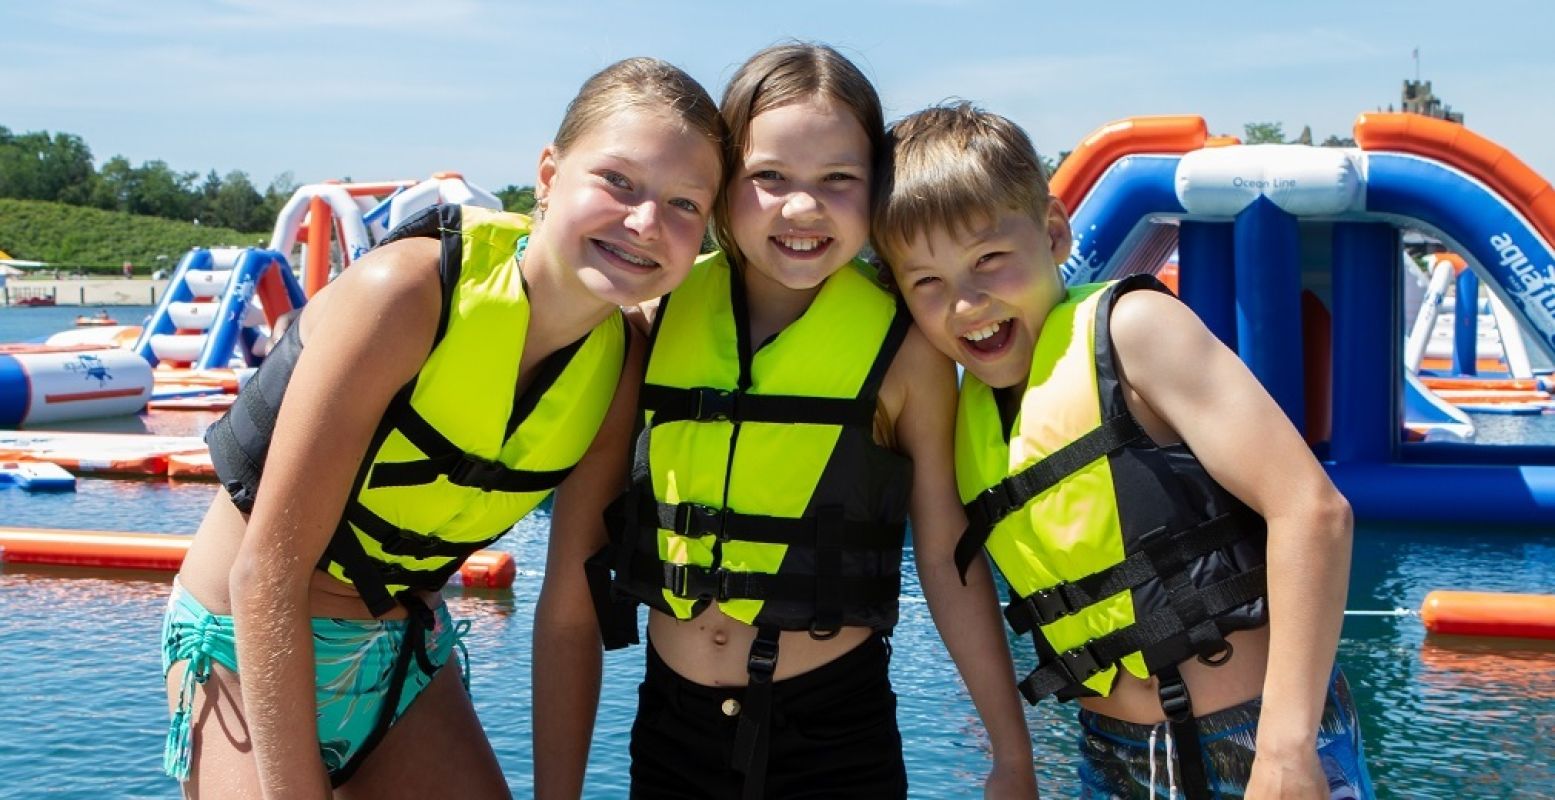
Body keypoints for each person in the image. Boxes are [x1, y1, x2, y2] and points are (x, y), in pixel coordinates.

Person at [159, 57, 724, 799]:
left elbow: (567, 608)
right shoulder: (403, 296)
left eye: (684, 204)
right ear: (549, 175)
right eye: (617, 181)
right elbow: (264, 572)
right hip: (245, 646)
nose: (645, 221)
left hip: (403, 664)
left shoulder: (620, 370)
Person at [536, 44, 1036, 800]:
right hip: (670, 731)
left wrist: (1010, 750)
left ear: (876, 189)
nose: (801, 209)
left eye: (839, 179)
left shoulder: (905, 354)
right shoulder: (650, 321)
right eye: (767, 178)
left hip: (835, 735)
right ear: (723, 185)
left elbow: (944, 557)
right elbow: (572, 580)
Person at [871, 102, 1374, 799]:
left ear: (1052, 232)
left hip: (1258, 736)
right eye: (926, 282)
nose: (966, 303)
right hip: (1111, 760)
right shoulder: (964, 421)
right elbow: (951, 574)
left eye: (988, 259)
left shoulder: (1133, 331)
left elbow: (1310, 509)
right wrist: (1012, 759)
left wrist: (1286, 749)